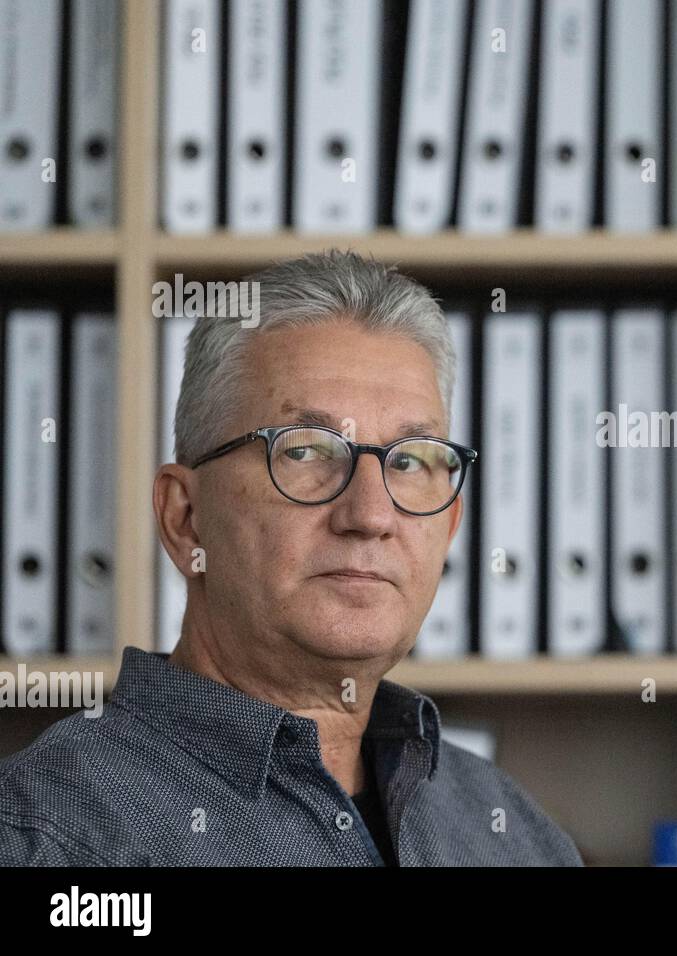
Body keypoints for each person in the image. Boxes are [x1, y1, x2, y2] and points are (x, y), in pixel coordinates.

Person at [0, 251, 583, 866]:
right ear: (184, 518)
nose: (371, 515)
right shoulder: (39, 841)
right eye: (306, 451)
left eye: (408, 461)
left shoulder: (518, 836)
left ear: (450, 525)